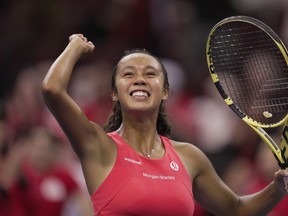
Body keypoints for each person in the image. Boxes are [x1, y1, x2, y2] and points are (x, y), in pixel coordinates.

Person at [41, 34, 288, 216]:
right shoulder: (99, 146)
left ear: (166, 92)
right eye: (128, 74)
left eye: (150, 74)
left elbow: (236, 210)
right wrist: (75, 46)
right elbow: (52, 89)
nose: (139, 79)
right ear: (115, 93)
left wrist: (277, 188)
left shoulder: (190, 157)